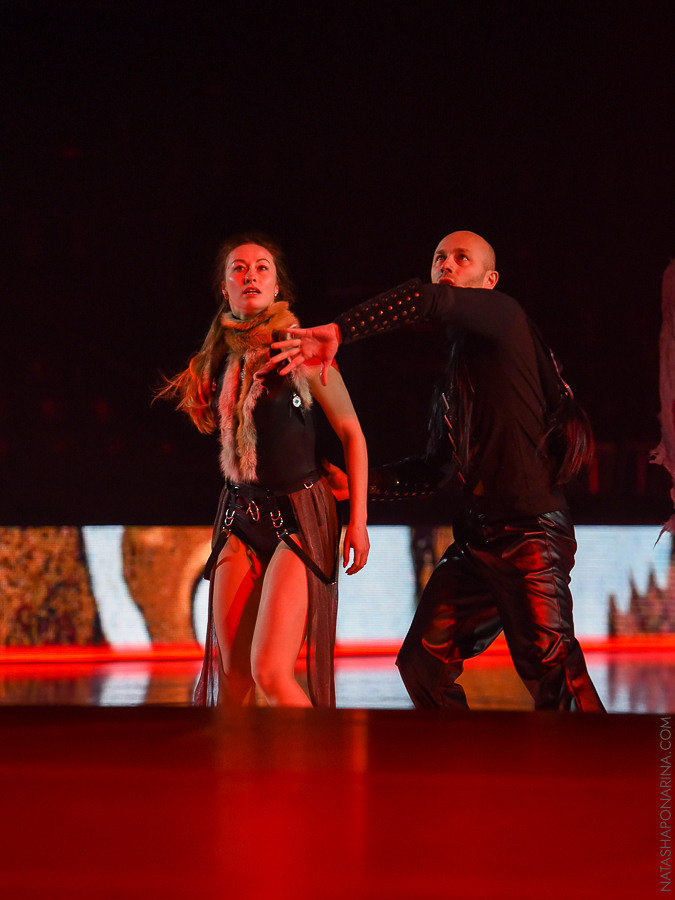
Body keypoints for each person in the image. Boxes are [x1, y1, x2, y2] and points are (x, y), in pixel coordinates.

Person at [274, 230, 605, 711]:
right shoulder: (455, 375)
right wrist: (363, 486)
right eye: (439, 258)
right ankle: (459, 771)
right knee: (423, 664)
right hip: (476, 543)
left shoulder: (506, 318)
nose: (446, 264)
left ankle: (603, 776)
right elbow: (434, 470)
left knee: (553, 670)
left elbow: (426, 301)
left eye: (460, 258)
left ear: (489, 280)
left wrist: (341, 330)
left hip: (531, 536)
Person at [159, 234, 369, 708]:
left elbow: (353, 434)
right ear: (224, 289)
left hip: (300, 517)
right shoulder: (220, 360)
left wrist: (357, 521)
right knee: (233, 679)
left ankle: (325, 770)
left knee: (271, 672)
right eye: (238, 268)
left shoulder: (304, 349)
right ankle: (241, 780)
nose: (250, 274)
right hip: (239, 516)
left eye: (262, 268)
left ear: (277, 288)